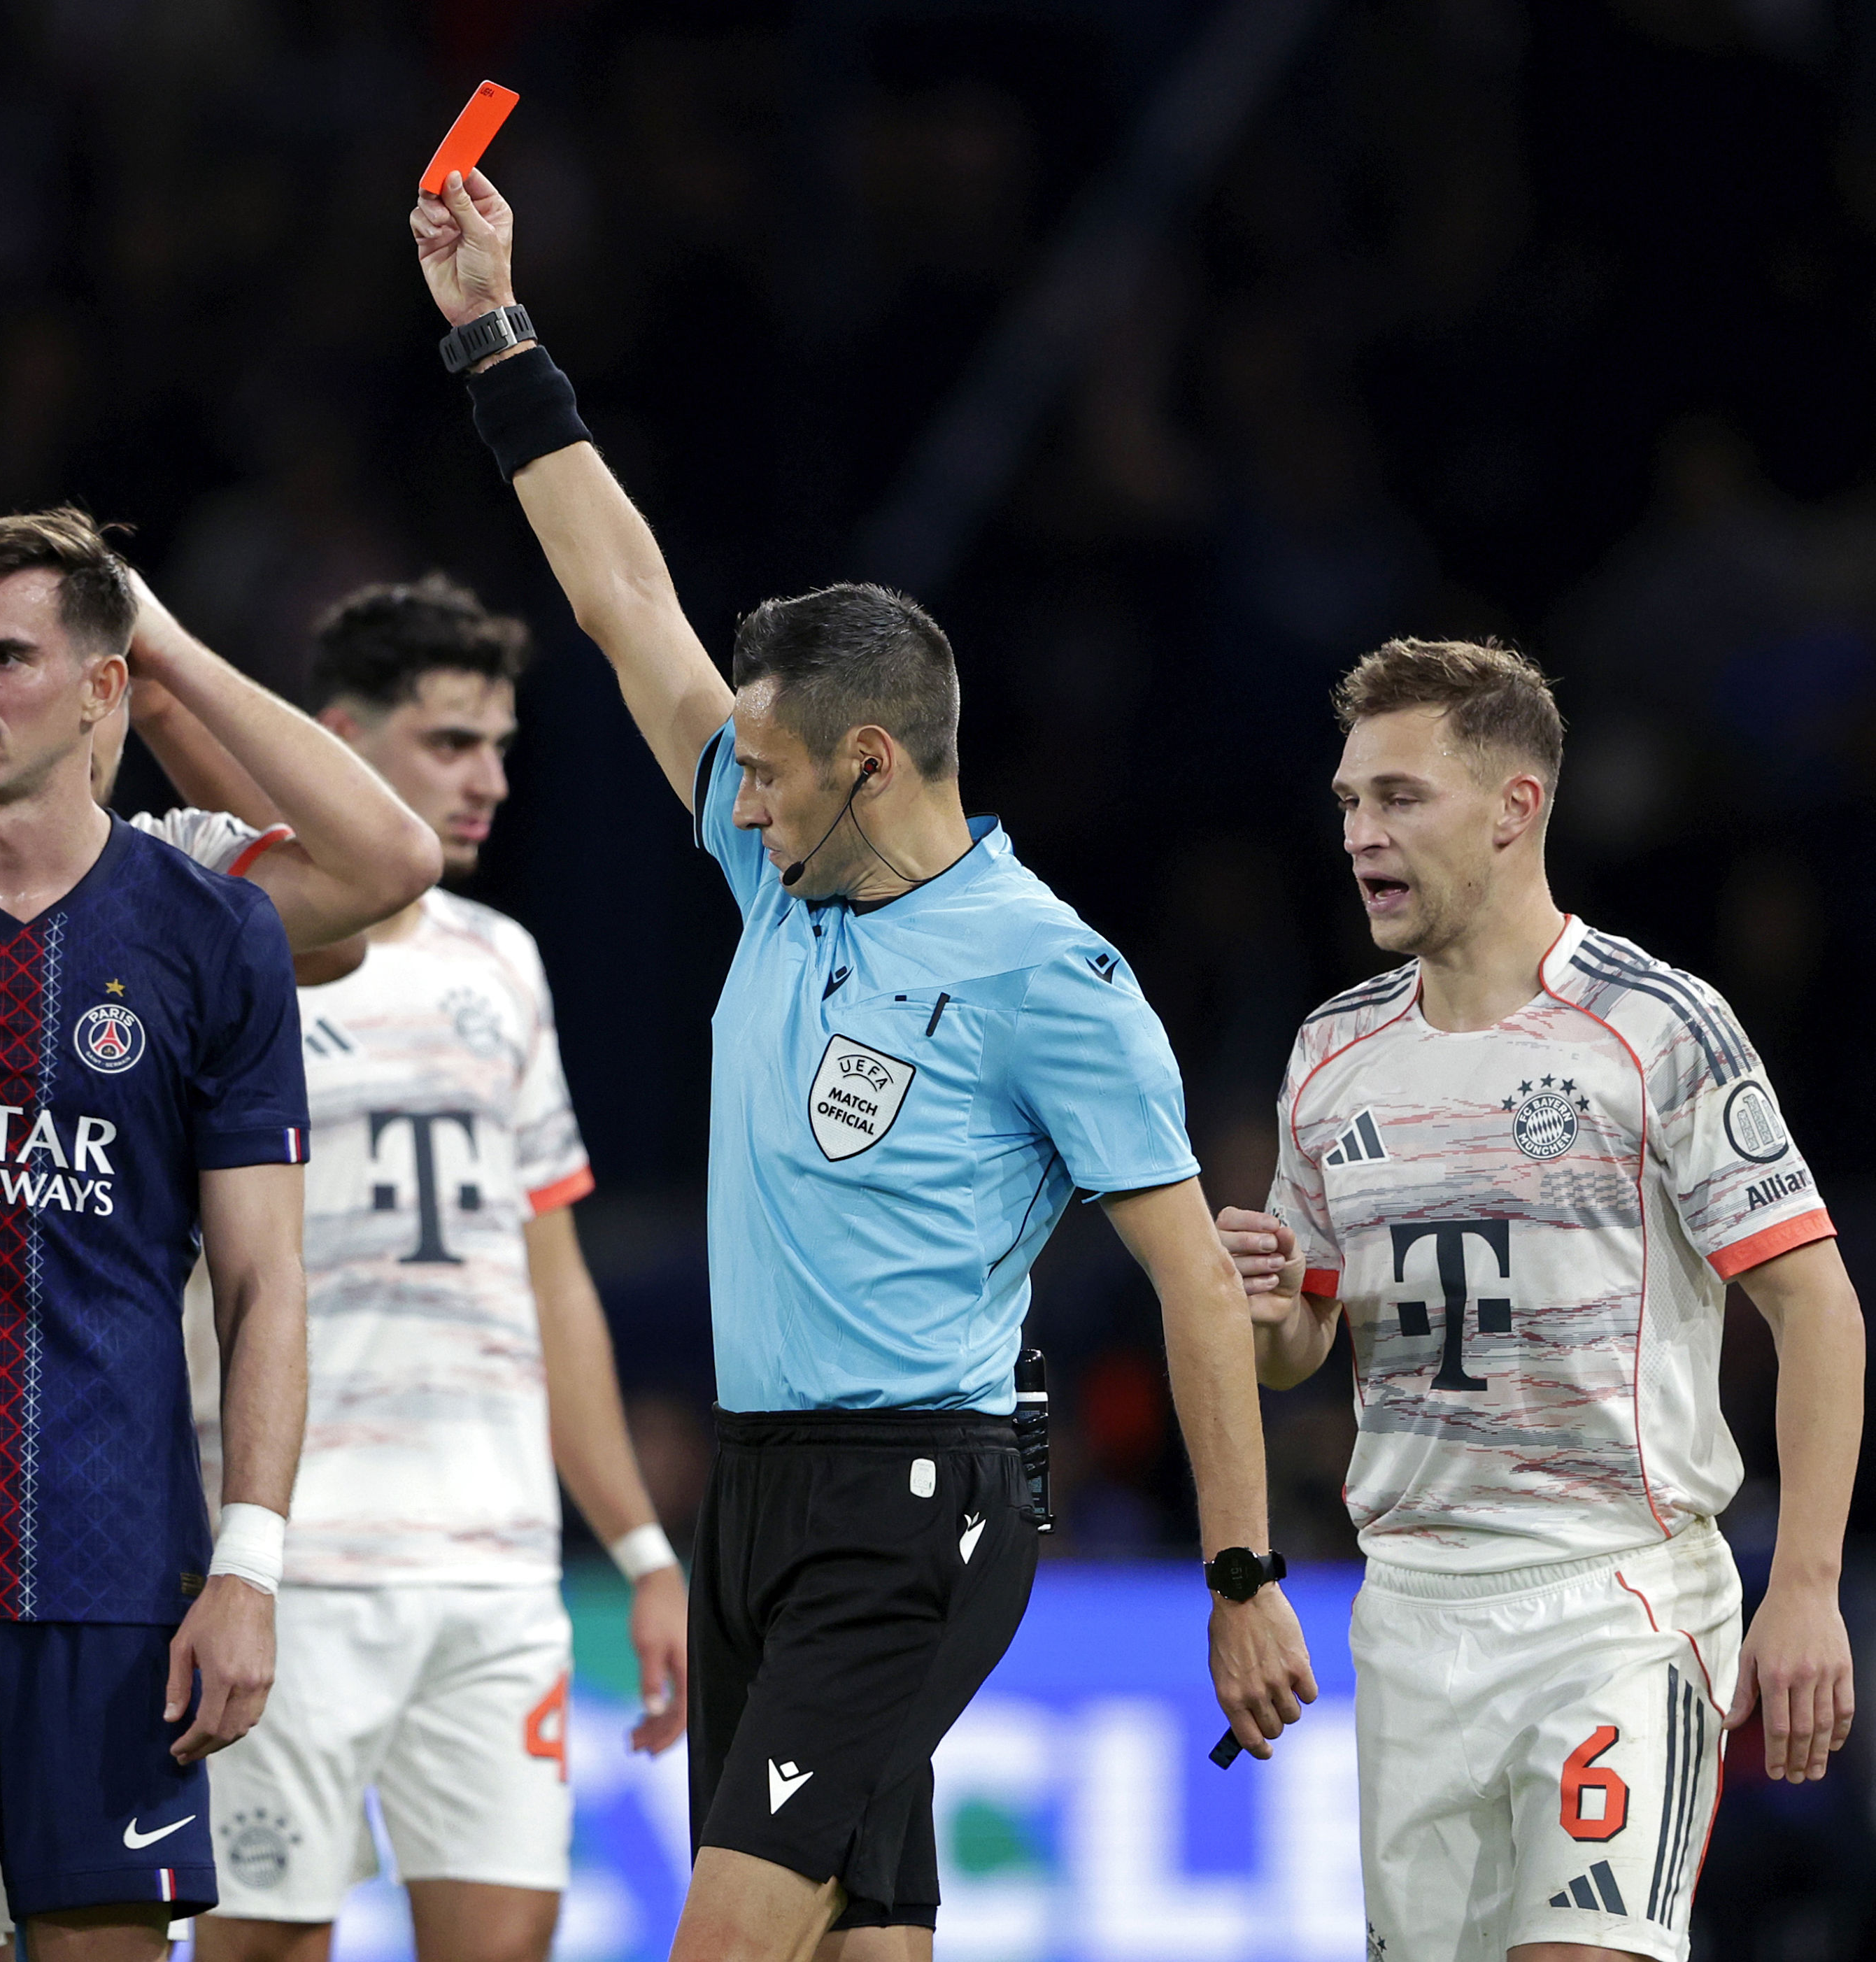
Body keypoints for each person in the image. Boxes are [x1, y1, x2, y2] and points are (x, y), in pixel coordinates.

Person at [406, 169, 1317, 1960]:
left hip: (916, 1507)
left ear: (873, 761)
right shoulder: (777, 860)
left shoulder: (1047, 973)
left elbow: (1198, 1284)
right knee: (858, 1941)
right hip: (756, 1489)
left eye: (763, 769)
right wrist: (493, 336)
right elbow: (620, 599)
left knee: (726, 1938)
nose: (728, 797)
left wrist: (1239, 1571)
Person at [0, 516, 439, 1962]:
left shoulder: (170, 882)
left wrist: (159, 652)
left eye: (19, 658)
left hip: (88, 1493)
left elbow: (382, 867)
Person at [1218, 639, 1862, 1962]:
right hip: (1410, 1611)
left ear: (1515, 807)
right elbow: (1299, 1351)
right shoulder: (1332, 1055)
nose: (1359, 834)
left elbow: (1819, 1307)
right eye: (1348, 802)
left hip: (1615, 1600)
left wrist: (1804, 1583)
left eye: (1399, 797)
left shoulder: (1657, 1027)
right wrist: (1271, 1304)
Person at [159, 574, 692, 1962]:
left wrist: (638, 1548)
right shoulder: (227, 944)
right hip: (294, 1561)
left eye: (502, 746)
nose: (490, 781)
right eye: (453, 742)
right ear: (336, 739)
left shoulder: (502, 963)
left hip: (496, 1568)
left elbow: (548, 1278)